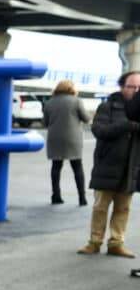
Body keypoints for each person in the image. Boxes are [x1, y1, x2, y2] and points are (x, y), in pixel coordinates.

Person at [77, 71, 140, 257]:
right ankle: (94, 242)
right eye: (131, 87)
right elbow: (99, 130)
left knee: (123, 208)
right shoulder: (108, 106)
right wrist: (127, 125)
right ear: (122, 87)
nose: (135, 91)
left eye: (139, 88)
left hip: (131, 167)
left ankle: (116, 243)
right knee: (100, 207)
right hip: (107, 165)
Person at [42, 79, 90, 206]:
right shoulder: (77, 101)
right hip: (72, 139)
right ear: (72, 89)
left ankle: (56, 196)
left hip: (55, 138)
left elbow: (45, 123)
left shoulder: (49, 103)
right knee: (77, 167)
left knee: (56, 167)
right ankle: (82, 198)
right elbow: (86, 119)